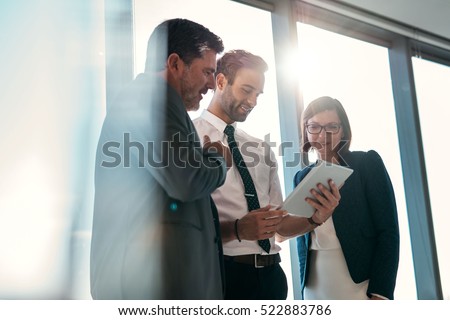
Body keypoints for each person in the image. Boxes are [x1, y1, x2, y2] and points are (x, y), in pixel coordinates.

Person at [91, 18, 232, 299]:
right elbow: (187, 180)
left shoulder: (153, 102)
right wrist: (216, 159)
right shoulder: (150, 99)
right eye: (206, 72)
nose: (210, 85)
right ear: (175, 63)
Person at [193, 50, 340, 299]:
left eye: (258, 94)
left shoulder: (261, 149)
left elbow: (279, 225)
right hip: (225, 275)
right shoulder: (189, 138)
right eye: (246, 90)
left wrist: (315, 219)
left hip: (273, 278)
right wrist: (238, 229)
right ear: (220, 82)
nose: (253, 101)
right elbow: (186, 225)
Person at [295, 96, 400, 300]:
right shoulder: (301, 177)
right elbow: (302, 239)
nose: (323, 135)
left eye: (332, 127)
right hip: (314, 283)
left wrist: (381, 292)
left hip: (360, 281)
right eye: (314, 126)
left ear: (343, 130)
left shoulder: (366, 163)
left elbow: (388, 231)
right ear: (306, 131)